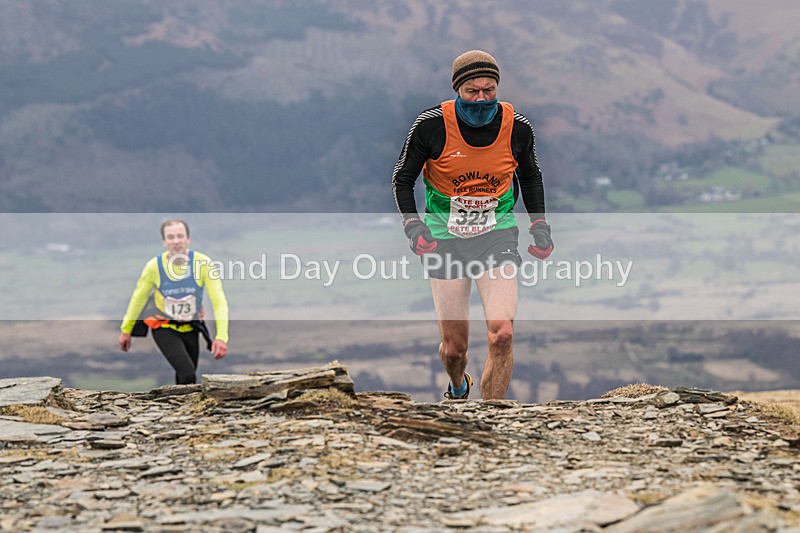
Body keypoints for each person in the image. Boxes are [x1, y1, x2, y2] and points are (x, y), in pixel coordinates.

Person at [391, 50, 553, 400]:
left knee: (502, 333)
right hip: (443, 241)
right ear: (457, 91)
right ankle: (457, 386)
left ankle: (489, 420)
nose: (481, 99)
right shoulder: (431, 126)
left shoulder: (517, 128)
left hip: (496, 235)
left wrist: (539, 224)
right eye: (472, 92)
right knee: (454, 349)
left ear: (497, 87)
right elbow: (402, 178)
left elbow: (530, 175)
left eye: (489, 90)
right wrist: (413, 228)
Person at [118, 219, 229, 384]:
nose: (176, 241)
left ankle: (182, 410)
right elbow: (138, 299)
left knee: (186, 377)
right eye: (170, 237)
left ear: (188, 239)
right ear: (164, 241)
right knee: (187, 373)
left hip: (192, 327)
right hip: (164, 326)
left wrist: (221, 337)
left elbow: (219, 302)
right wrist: (126, 330)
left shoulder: (203, 263)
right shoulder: (154, 267)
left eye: (180, 236)